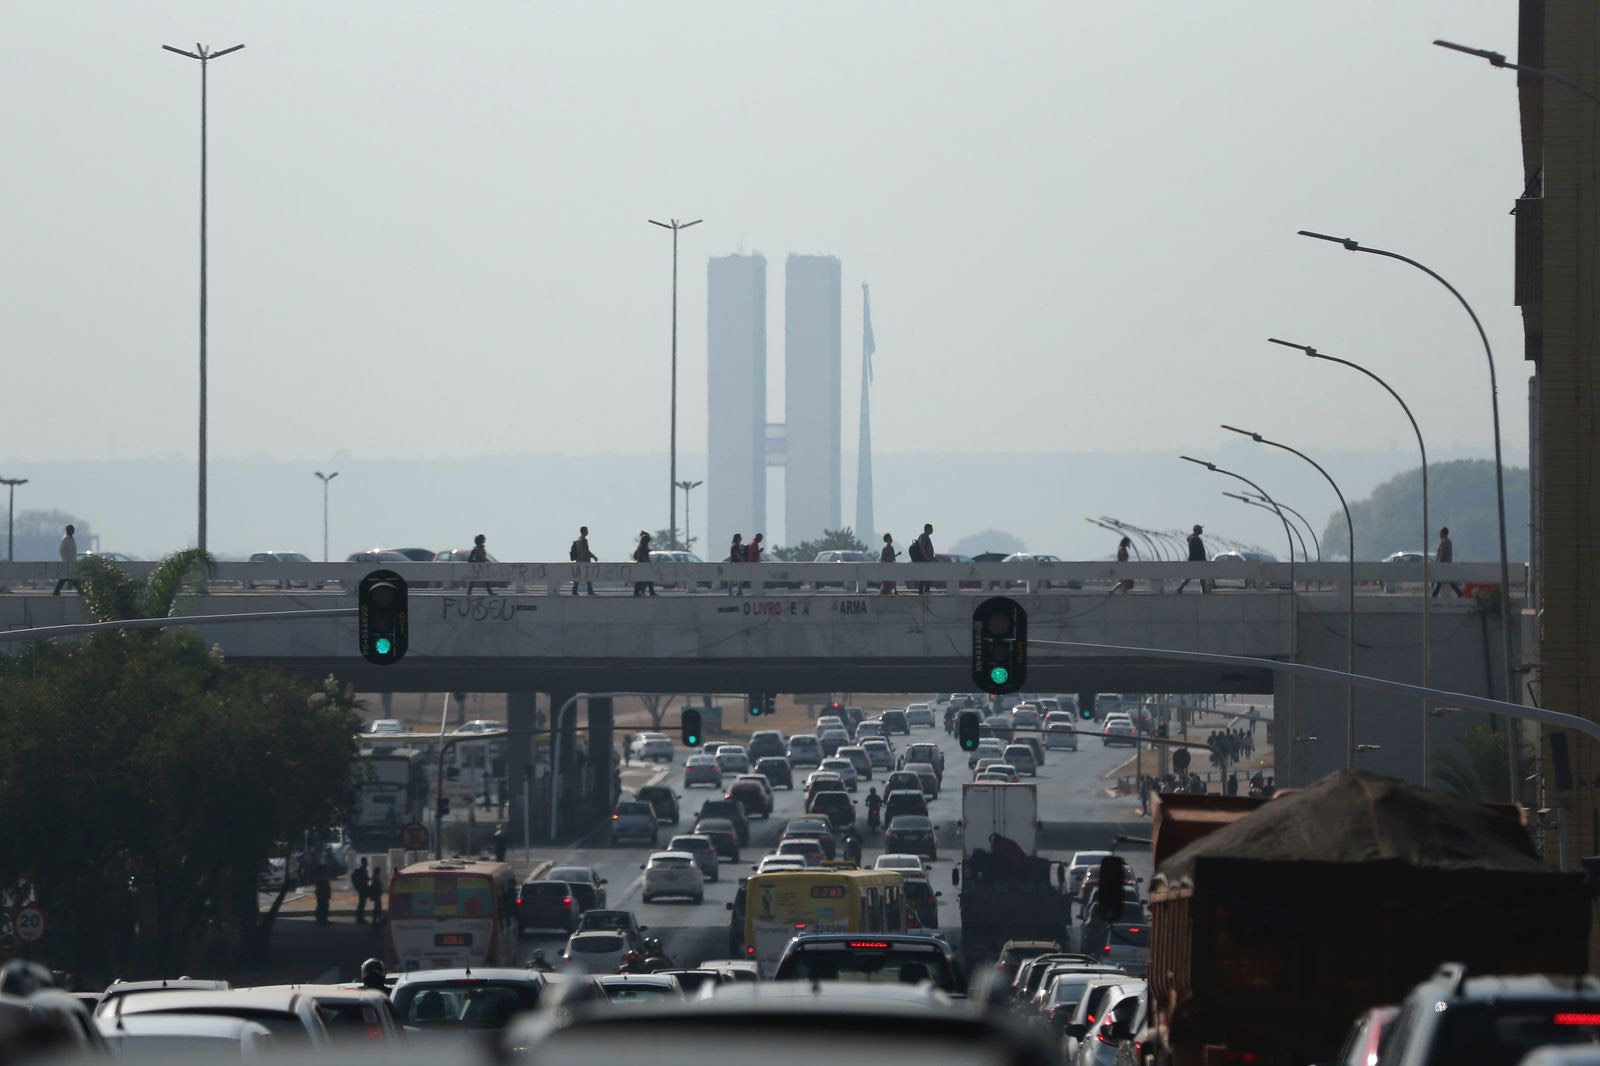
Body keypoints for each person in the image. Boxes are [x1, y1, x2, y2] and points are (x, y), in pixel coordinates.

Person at [1175, 524, 1209, 594]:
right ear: (1197, 530)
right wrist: (1202, 559)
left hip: (1195, 560)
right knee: (1198, 575)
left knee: (1198, 576)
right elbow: (1198, 551)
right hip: (1196, 560)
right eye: (1200, 529)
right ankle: (1180, 588)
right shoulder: (1195, 539)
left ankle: (1181, 588)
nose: (1202, 530)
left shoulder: (1193, 538)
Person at [1432, 526, 1462, 597]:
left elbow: (1442, 554)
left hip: (1443, 565)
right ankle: (1459, 592)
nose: (1439, 534)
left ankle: (1434, 594)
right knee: (1447, 580)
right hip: (1447, 565)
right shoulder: (1449, 542)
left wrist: (1439, 564)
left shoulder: (1444, 542)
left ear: (1443, 533)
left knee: (1440, 580)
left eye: (1440, 532)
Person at [570, 526, 597, 596]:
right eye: (586, 530)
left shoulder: (578, 540)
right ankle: (590, 591)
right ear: (584, 531)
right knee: (587, 576)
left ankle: (575, 590)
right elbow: (586, 551)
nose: (587, 532)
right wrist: (594, 556)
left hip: (579, 561)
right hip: (584, 561)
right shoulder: (584, 540)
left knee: (578, 577)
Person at [53, 524, 78, 596]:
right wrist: (65, 559)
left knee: (69, 578)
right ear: (68, 531)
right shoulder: (66, 539)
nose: (73, 531)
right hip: (68, 562)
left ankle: (56, 591)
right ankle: (56, 591)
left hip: (72, 562)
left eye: (73, 530)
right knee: (68, 578)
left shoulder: (71, 539)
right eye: (71, 530)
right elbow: (61, 550)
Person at [632, 532, 657, 596]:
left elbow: (636, 556)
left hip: (642, 564)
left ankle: (649, 592)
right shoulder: (642, 548)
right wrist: (648, 563)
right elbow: (643, 557)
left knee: (647, 579)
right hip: (643, 565)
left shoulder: (641, 547)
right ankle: (640, 592)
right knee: (643, 579)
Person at [913, 523, 935, 594]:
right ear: (927, 529)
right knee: (925, 576)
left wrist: (932, 558)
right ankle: (923, 591)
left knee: (927, 576)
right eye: (931, 528)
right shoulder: (923, 536)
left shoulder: (926, 537)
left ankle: (924, 590)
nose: (932, 530)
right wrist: (927, 558)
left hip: (927, 560)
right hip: (925, 560)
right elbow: (922, 548)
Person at [351, 857, 371, 924]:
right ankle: (360, 919)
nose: (367, 863)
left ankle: (360, 918)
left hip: (363, 889)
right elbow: (363, 879)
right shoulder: (362, 870)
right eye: (366, 861)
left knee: (362, 904)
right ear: (364, 862)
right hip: (362, 889)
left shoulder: (363, 869)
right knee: (362, 904)